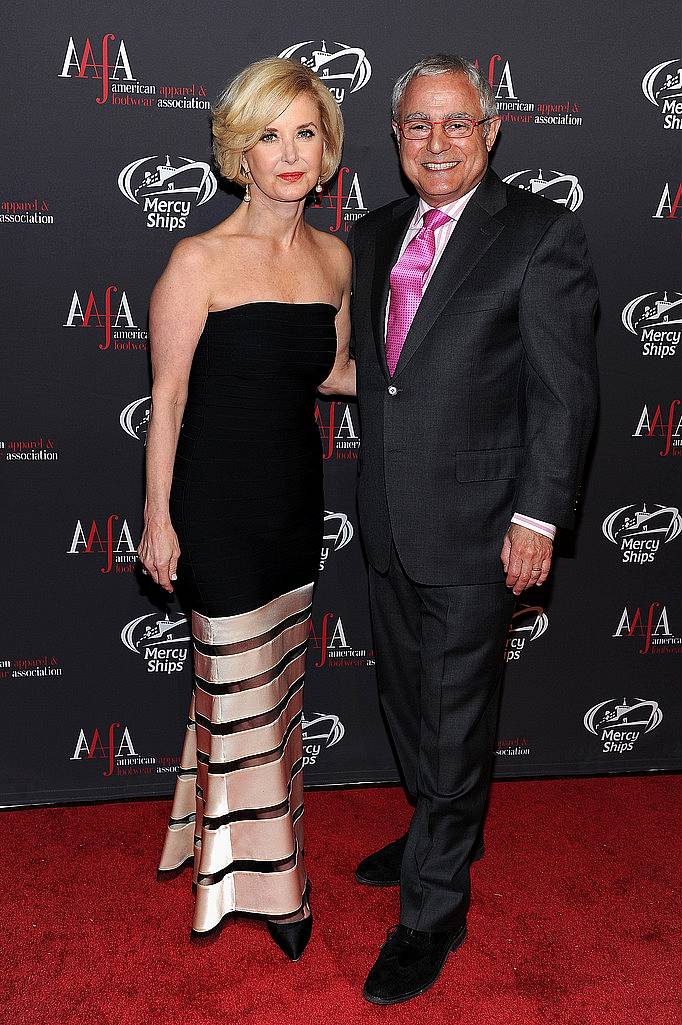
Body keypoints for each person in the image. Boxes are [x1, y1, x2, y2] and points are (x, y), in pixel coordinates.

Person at [347, 54, 598, 1004]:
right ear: (398, 138)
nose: (437, 142)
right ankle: (438, 824)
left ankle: (433, 911)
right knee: (408, 701)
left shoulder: (539, 234)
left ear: (491, 133)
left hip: (483, 524)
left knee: (454, 724)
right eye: (418, 125)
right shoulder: (373, 236)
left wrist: (536, 517)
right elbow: (384, 374)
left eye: (457, 124)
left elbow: (563, 396)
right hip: (385, 519)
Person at [137, 56, 354, 961]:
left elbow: (338, 374)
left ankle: (208, 834)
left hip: (294, 503)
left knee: (268, 694)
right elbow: (170, 400)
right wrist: (157, 516)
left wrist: (444, 381)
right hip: (215, 509)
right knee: (244, 692)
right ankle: (277, 885)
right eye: (269, 135)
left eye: (305, 132)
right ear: (239, 153)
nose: (289, 152)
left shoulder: (336, 257)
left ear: (327, 147)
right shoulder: (198, 260)